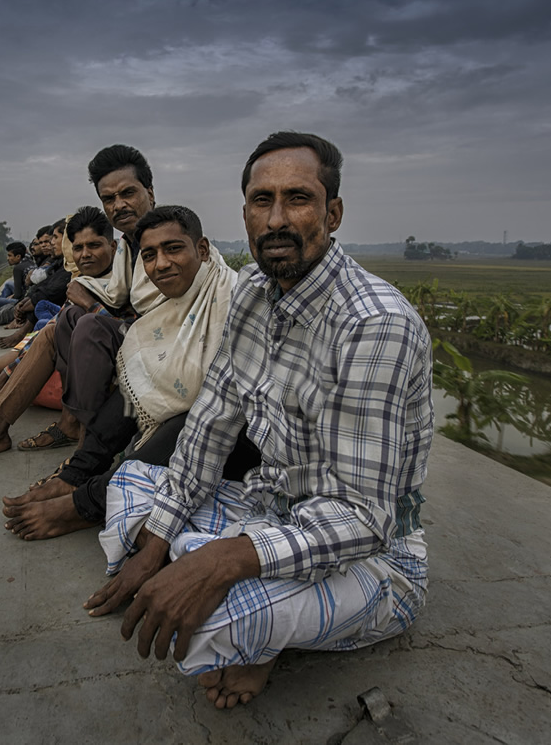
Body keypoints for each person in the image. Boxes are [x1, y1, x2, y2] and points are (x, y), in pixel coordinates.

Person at [83, 132, 434, 710]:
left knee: (212, 618)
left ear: (333, 212)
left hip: (372, 554)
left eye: (297, 198)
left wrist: (222, 561)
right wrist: (158, 539)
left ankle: (251, 620)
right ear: (243, 211)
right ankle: (216, 581)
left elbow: (362, 521)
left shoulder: (373, 325)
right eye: (260, 200)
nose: (276, 219)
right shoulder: (251, 291)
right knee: (131, 486)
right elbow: (210, 426)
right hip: (266, 507)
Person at [2, 205, 256, 541]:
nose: (161, 263)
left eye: (174, 248)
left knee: (197, 417)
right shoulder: (172, 302)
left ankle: (86, 503)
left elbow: (223, 407)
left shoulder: (232, 297)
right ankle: (79, 470)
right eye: (149, 255)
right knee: (138, 376)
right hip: (197, 424)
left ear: (203, 249)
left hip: (241, 440)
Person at [0, 206, 120, 464]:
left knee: (58, 323)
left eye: (94, 246)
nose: (85, 254)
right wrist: (4, 376)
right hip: (76, 365)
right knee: (50, 329)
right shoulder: (81, 280)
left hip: (108, 375)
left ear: (113, 248)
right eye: (78, 248)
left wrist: (90, 306)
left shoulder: (123, 279)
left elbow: (130, 335)